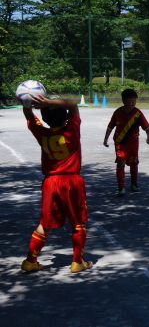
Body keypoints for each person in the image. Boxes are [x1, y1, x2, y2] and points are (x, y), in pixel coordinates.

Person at [20, 94, 93, 273]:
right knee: (78, 222)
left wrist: (28, 104)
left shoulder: (42, 132)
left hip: (51, 182)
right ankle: (77, 261)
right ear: (66, 115)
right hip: (71, 180)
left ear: (44, 117)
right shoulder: (71, 130)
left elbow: (29, 115)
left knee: (45, 223)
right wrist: (48, 102)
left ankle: (30, 260)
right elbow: (74, 103)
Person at [103, 89, 149, 196]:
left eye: (134, 102)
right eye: (129, 101)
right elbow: (110, 126)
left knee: (134, 163)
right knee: (121, 163)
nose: (131, 104)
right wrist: (105, 139)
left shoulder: (138, 113)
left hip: (133, 144)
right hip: (120, 143)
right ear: (123, 101)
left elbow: (147, 127)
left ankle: (134, 184)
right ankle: (121, 187)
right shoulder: (117, 112)